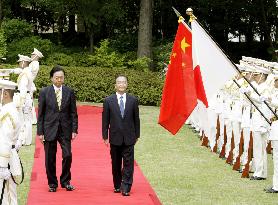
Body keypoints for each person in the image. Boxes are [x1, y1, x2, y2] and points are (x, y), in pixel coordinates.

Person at [37, 65, 78, 192]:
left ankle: (65, 181)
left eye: (61, 77)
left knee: (67, 155)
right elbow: (41, 114)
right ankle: (52, 184)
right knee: (50, 158)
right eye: (57, 78)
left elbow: (73, 113)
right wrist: (40, 132)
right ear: (51, 78)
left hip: (65, 129)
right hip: (49, 128)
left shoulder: (69, 91)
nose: (59, 80)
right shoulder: (44, 92)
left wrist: (74, 129)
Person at [102, 74, 140, 196]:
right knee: (116, 163)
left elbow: (136, 119)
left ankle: (126, 186)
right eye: (119, 82)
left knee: (128, 163)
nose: (121, 84)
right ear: (115, 85)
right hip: (115, 137)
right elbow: (105, 120)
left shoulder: (133, 100)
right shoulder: (108, 101)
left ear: (127, 84)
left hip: (129, 137)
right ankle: (117, 184)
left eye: (124, 82)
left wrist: (137, 134)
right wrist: (105, 136)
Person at [0, 80, 22, 205]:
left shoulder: (7, 112)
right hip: (9, 154)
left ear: (5, 93)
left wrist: (2, 165)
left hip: (5, 158)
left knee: (6, 195)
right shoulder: (11, 109)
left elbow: (5, 138)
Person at [29, 48, 44, 125]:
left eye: (33, 54)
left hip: (29, 84)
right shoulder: (33, 63)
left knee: (29, 103)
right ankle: (32, 119)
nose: (31, 55)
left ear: (36, 56)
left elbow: (29, 74)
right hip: (29, 83)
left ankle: (33, 119)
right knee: (28, 102)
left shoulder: (34, 64)